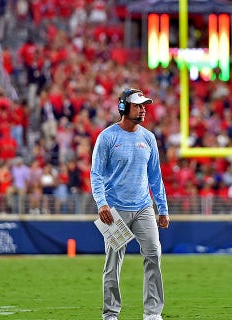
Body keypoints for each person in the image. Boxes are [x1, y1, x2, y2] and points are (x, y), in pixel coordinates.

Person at [91, 87, 170, 320]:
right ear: (124, 107)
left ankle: (153, 313)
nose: (143, 109)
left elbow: (155, 176)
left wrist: (162, 209)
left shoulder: (148, 138)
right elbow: (96, 174)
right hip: (114, 209)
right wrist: (102, 204)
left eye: (144, 105)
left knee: (154, 253)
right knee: (113, 262)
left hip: (144, 207)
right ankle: (110, 314)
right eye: (138, 105)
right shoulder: (107, 137)